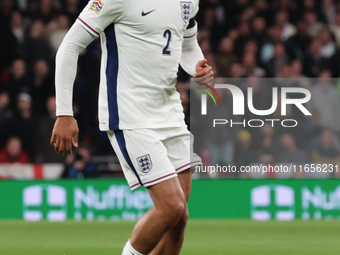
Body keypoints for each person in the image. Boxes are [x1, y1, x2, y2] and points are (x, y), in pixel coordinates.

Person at [50, 1, 213, 255]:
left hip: (170, 112)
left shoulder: (189, 1)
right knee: (170, 206)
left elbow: (187, 43)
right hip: (130, 114)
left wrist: (196, 66)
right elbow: (70, 46)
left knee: (179, 217)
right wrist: (64, 113)